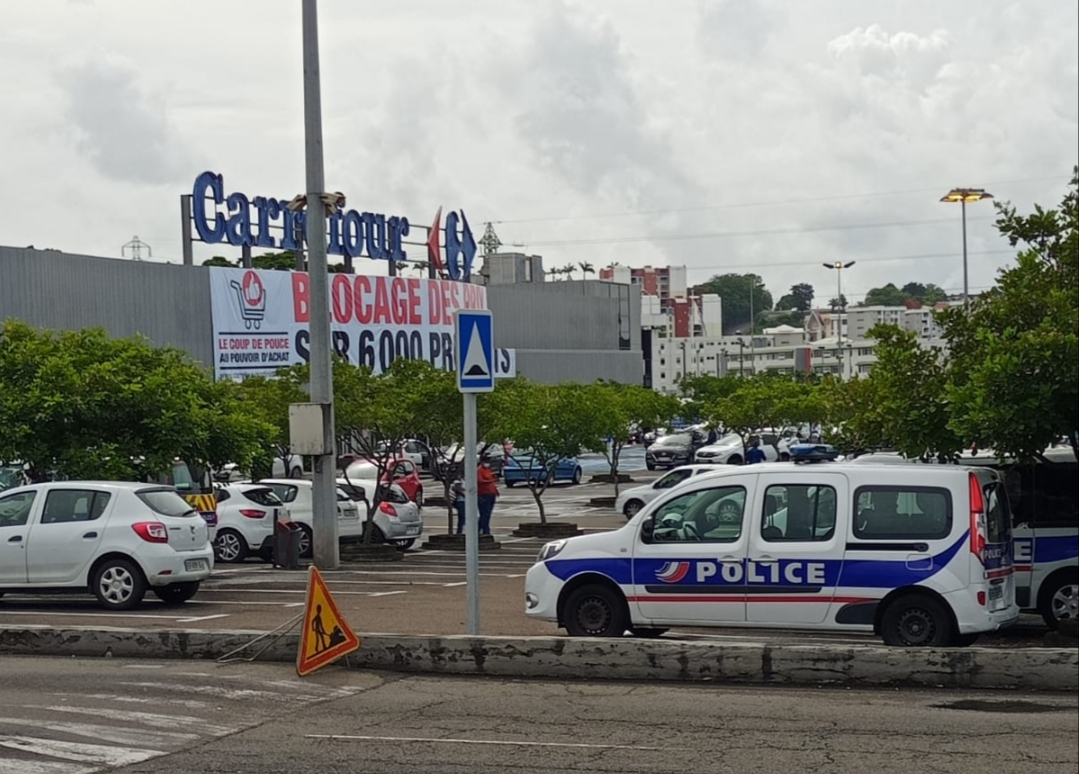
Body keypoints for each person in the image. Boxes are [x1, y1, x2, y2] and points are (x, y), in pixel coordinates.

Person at [477, 454, 499, 536]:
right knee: (484, 514)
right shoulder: (479, 470)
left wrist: (495, 490)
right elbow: (480, 481)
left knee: (488, 514)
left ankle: (483, 529)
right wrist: (490, 481)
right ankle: (484, 530)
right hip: (483, 494)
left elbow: (491, 480)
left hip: (491, 494)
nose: (487, 463)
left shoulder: (488, 470)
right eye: (486, 461)